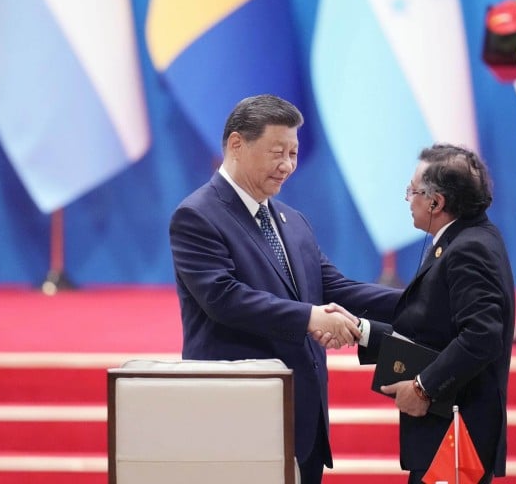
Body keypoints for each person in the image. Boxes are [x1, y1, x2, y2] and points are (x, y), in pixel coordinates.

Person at [170, 94, 401, 484]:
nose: (287, 166)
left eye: (293, 153)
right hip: (238, 414)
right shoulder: (197, 216)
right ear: (237, 145)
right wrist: (309, 317)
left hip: (302, 417)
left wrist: (422, 300)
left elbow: (334, 287)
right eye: (277, 152)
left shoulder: (291, 219)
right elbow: (223, 298)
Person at [358, 144, 515, 484]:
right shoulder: (465, 237)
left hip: (456, 435)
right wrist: (361, 330)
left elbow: (482, 336)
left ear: (436, 202)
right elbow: (431, 323)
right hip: (446, 432)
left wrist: (422, 387)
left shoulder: (468, 248)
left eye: (412, 190)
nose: (408, 198)